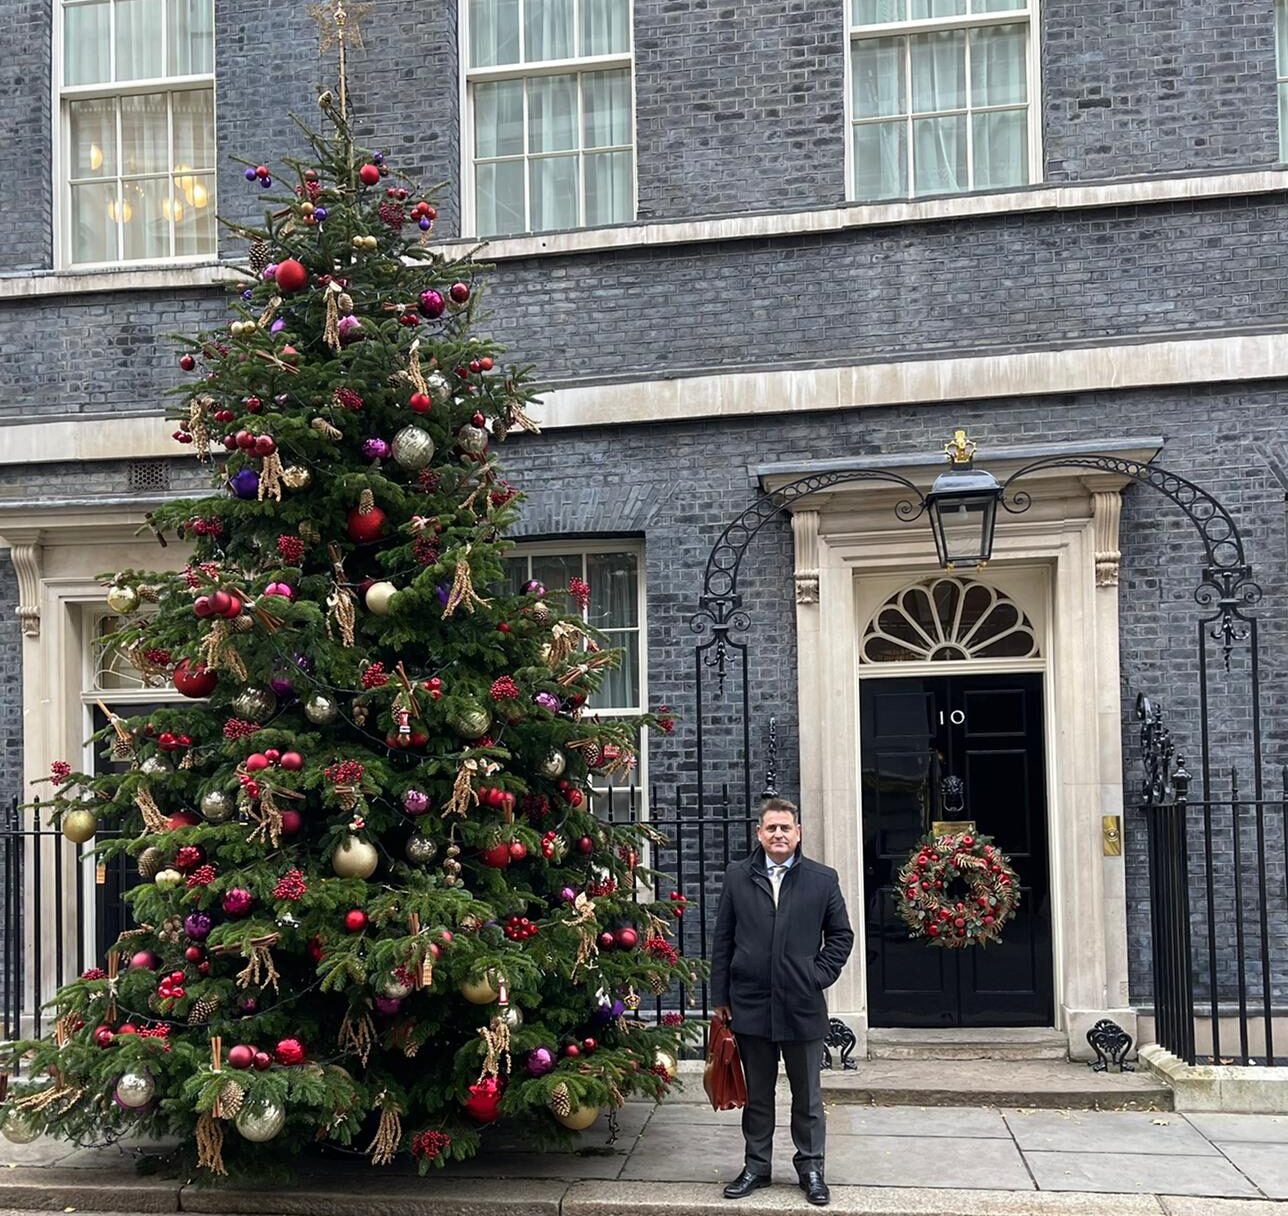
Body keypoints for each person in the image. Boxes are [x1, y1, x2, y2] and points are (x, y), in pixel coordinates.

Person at [710, 796, 854, 1207]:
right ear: (759, 832)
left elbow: (841, 936)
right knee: (758, 1095)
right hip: (750, 1004)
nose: (778, 834)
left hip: (802, 1005)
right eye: (770, 828)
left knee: (807, 1096)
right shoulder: (738, 876)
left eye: (785, 828)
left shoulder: (822, 879)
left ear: (798, 833)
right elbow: (723, 940)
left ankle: (811, 1168)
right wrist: (720, 996)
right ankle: (756, 1166)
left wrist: (817, 974)